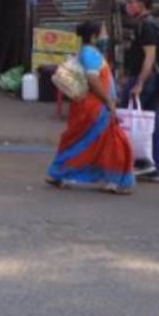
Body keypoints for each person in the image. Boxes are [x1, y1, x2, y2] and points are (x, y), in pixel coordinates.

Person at [46, 20, 134, 195]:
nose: (106, 36)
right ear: (93, 37)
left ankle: (59, 173)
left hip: (87, 107)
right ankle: (115, 181)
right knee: (113, 143)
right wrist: (108, 101)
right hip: (96, 107)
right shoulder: (91, 54)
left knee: (81, 142)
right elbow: (93, 80)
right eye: (103, 33)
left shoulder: (86, 52)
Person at [120, 0, 159, 182]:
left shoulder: (147, 26)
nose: (128, 5)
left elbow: (150, 57)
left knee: (130, 121)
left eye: (131, 2)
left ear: (141, 5)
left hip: (145, 80)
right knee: (151, 123)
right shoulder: (144, 24)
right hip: (147, 79)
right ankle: (154, 167)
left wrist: (139, 83)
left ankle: (139, 163)